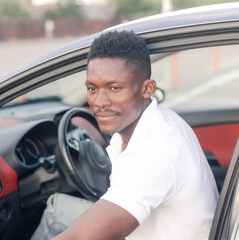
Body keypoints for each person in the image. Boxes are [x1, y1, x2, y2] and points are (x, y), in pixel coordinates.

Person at [32, 30, 219, 240]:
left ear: (147, 89)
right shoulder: (156, 121)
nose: (100, 102)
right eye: (92, 88)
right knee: (57, 208)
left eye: (114, 88)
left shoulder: (154, 150)